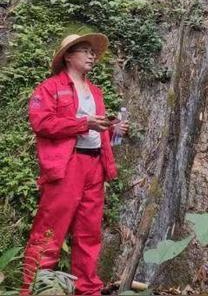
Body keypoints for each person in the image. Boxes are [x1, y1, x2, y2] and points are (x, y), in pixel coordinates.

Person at [22, 33, 129, 295]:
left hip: (95, 166)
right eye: (84, 50)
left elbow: (97, 131)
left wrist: (114, 130)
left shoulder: (95, 91)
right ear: (68, 55)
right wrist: (84, 124)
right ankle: (35, 288)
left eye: (93, 52)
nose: (92, 55)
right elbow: (42, 123)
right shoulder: (49, 88)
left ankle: (88, 290)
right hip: (66, 165)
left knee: (89, 232)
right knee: (50, 230)